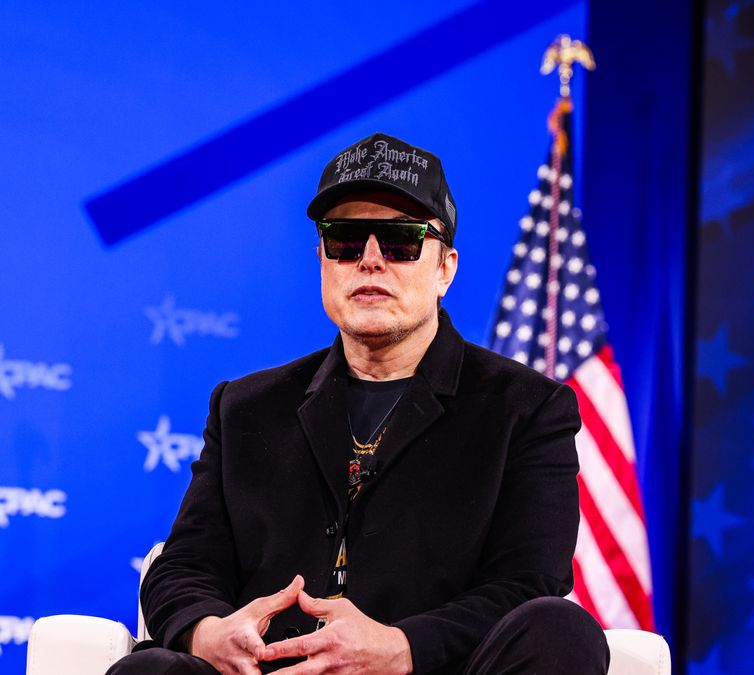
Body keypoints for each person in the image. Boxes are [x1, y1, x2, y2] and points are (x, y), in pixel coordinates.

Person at [107, 133, 610, 675]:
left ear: (446, 268)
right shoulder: (245, 407)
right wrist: (209, 633)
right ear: (323, 260)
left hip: (430, 670)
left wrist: (401, 647)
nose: (370, 260)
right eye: (346, 240)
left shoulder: (528, 408)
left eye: (400, 242)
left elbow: (529, 583)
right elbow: (182, 567)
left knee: (562, 633)